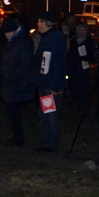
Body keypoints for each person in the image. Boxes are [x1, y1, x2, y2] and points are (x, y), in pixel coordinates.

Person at [0, 16, 36, 146]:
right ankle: (17, 136)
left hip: (16, 82)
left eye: (8, 32)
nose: (6, 35)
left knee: (14, 111)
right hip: (11, 81)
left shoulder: (21, 42)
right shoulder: (14, 40)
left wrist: (9, 76)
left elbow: (22, 64)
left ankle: (18, 138)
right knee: (12, 111)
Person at [33, 11, 67, 153]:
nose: (38, 24)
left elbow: (58, 63)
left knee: (51, 115)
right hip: (44, 82)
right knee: (44, 114)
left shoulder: (55, 38)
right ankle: (45, 142)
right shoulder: (46, 37)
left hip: (51, 84)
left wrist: (56, 85)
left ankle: (52, 144)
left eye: (40, 21)